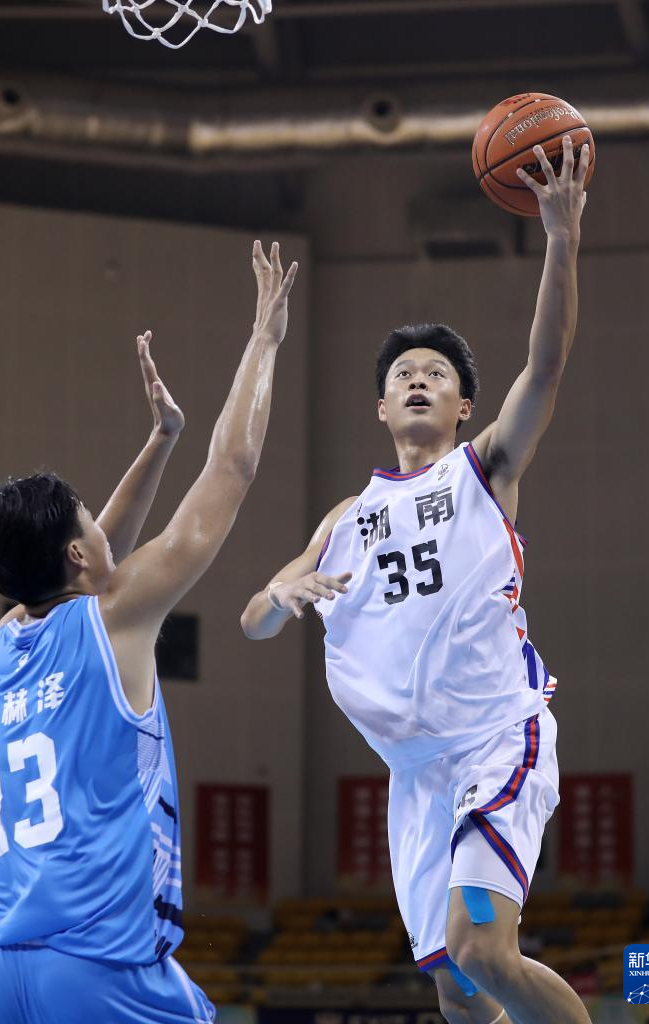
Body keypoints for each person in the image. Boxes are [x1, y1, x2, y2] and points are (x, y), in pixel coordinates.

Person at [241, 139, 591, 1024]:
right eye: (405, 375)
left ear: (464, 405)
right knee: (455, 988)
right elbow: (252, 621)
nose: (420, 381)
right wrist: (280, 598)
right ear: (382, 407)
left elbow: (545, 367)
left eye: (438, 375)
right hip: (415, 775)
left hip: (494, 738)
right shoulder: (344, 518)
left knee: (482, 950)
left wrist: (560, 238)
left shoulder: (482, 470)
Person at [0, 240, 297, 1024]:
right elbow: (233, 469)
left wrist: (161, 438)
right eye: (85, 517)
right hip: (97, 960)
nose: (98, 524)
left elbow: (91, 558)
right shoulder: (115, 618)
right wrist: (264, 340)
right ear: (76, 553)